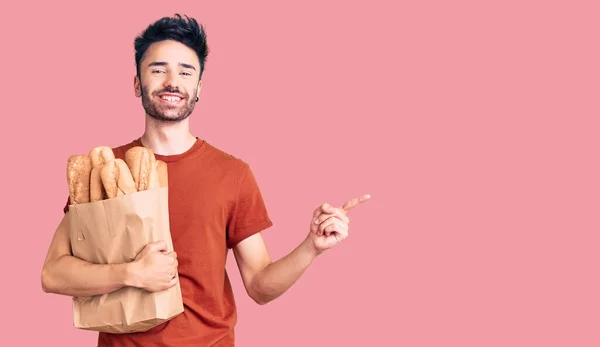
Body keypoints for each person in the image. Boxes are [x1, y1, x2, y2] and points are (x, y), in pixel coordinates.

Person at [41, 14, 370, 347]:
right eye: (158, 69)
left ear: (198, 88)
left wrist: (311, 247)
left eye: (186, 71)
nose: (172, 80)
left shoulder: (232, 174)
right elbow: (53, 273)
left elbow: (259, 286)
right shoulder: (103, 169)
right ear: (138, 83)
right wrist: (131, 274)